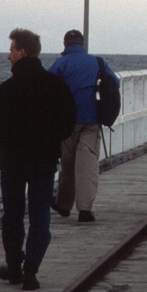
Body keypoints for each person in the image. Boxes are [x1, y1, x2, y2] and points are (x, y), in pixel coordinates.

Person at [0, 28, 76, 291]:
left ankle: (14, 267)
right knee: (40, 217)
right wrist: (51, 144)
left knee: (12, 216)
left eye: (11, 50)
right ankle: (31, 270)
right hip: (44, 161)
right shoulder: (56, 86)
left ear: (22, 52)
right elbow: (68, 122)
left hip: (12, 162)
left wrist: (4, 147)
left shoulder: (3, 91)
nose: (8, 56)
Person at [49, 29, 119, 223]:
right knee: (87, 165)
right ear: (82, 43)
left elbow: (47, 89)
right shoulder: (97, 62)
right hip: (91, 120)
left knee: (68, 164)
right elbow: (115, 82)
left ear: (65, 44)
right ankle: (85, 210)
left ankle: (64, 204)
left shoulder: (60, 63)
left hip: (66, 122)